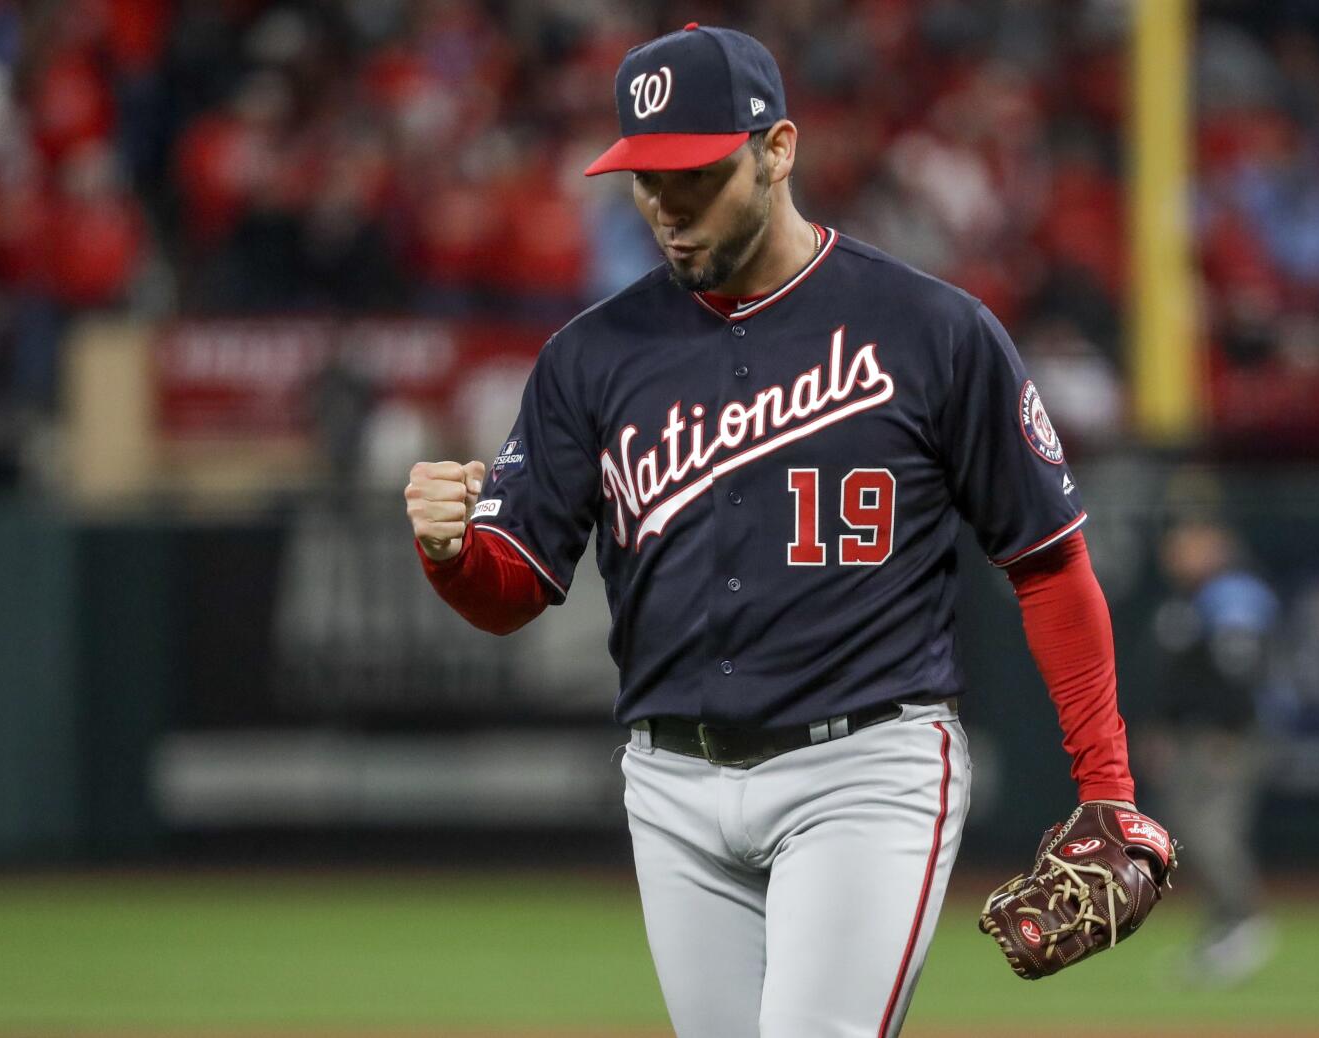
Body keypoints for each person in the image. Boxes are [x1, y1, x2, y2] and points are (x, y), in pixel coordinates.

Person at [406, 24, 1149, 1037]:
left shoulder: (931, 331)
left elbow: (1049, 564)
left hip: (864, 769)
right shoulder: (589, 357)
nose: (667, 207)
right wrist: (451, 556)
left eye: (695, 175)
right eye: (645, 179)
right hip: (669, 782)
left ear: (777, 149)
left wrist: (1105, 786)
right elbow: (513, 590)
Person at [1145, 516, 1278, 987]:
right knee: (1187, 831)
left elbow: (1241, 667)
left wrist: (1231, 727)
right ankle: (1224, 928)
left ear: (1215, 544)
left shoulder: (1233, 591)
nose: (1175, 551)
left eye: (1187, 542)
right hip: (1192, 735)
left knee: (1212, 831)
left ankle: (1244, 923)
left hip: (1226, 735)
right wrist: (1162, 726)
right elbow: (1178, 677)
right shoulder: (1189, 597)